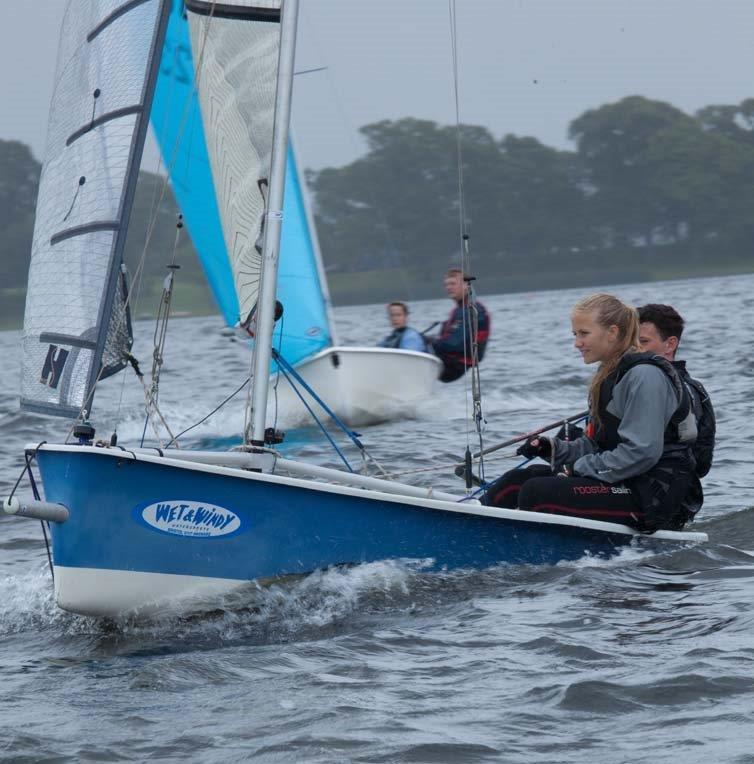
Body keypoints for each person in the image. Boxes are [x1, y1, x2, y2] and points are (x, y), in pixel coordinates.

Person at [482, 293, 698, 532]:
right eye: (575, 334)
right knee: (517, 481)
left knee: (537, 492)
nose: (577, 343)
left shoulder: (644, 376)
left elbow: (641, 452)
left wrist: (577, 469)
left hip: (652, 495)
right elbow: (598, 445)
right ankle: (474, 534)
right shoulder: (609, 375)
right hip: (622, 481)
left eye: (584, 334)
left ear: (613, 332)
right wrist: (554, 450)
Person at [638, 303, 716, 520]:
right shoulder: (698, 390)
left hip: (654, 500)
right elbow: (702, 464)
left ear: (670, 344)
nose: (635, 349)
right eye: (630, 342)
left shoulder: (659, 387)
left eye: (643, 341)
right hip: (685, 501)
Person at [428, 268, 490, 383]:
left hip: (455, 365)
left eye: (453, 284)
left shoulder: (473, 310)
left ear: (466, 286)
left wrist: (430, 341)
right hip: (447, 361)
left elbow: (456, 344)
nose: (448, 287)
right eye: (446, 285)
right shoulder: (459, 310)